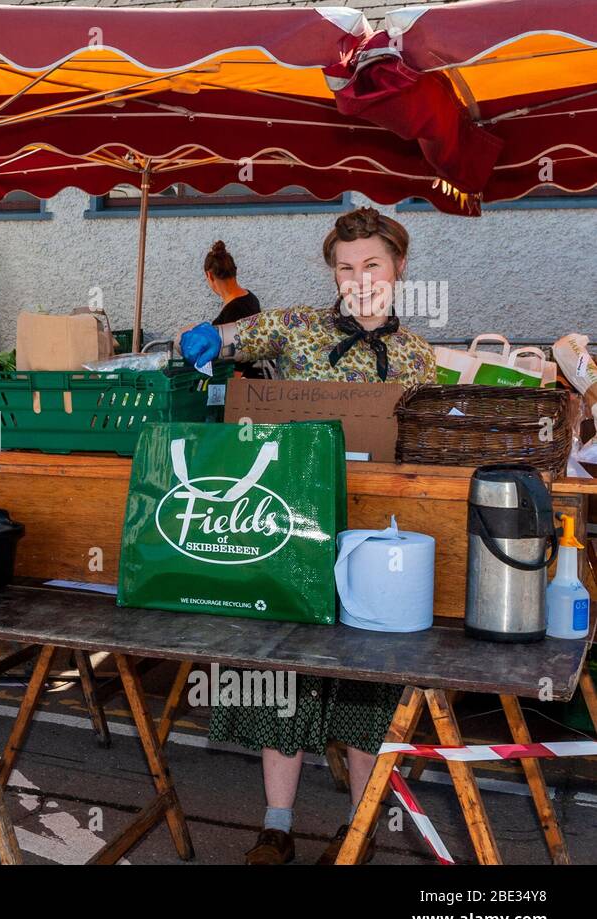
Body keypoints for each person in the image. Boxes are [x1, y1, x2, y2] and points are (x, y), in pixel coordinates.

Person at [178, 207, 436, 865]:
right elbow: (234, 336)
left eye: (372, 264)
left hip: (379, 538)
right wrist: (204, 339)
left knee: (364, 681)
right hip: (293, 527)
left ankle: (358, 829)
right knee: (285, 676)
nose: (359, 279)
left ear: (398, 267)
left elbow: (426, 449)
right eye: (346, 268)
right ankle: (277, 824)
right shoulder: (296, 326)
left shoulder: (418, 353)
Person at [203, 240, 263, 378]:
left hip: (241, 384)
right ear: (234, 270)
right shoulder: (249, 297)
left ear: (209, 276)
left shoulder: (234, 311)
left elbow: (236, 364)